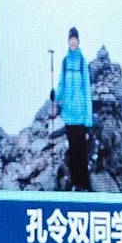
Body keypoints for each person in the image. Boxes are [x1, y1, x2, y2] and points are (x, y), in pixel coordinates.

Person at [53, 26, 94, 191]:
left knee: (81, 149)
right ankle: (75, 183)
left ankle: (84, 183)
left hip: (81, 113)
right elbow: (61, 84)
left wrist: (88, 118)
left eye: (75, 39)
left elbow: (87, 90)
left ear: (78, 41)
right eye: (71, 39)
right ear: (68, 41)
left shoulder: (82, 62)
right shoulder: (64, 62)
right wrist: (55, 95)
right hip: (69, 114)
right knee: (72, 149)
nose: (73, 42)